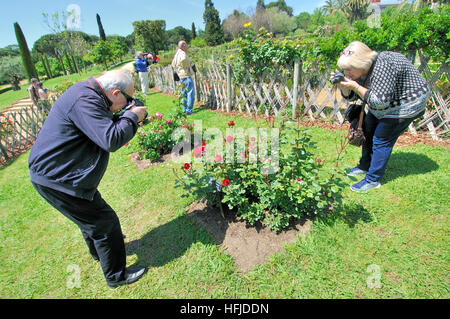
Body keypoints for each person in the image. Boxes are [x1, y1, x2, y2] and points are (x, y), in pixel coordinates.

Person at [28, 70, 148, 288]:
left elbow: (103, 125)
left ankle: (99, 254)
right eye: (127, 99)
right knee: (105, 222)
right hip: (59, 178)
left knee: (90, 219)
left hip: (60, 174)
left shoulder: (90, 94)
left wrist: (128, 114)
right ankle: (116, 276)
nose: (127, 103)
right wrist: (133, 116)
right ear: (115, 92)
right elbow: (110, 139)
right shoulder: (85, 99)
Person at [331, 41, 430, 192]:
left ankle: (373, 179)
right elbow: (351, 97)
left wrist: (355, 86)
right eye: (345, 70)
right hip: (385, 100)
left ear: (361, 63)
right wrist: (343, 85)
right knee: (368, 130)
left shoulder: (384, 64)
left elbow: (379, 102)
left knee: (381, 138)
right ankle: (364, 166)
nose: (347, 73)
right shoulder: (361, 69)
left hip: (408, 102)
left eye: (349, 69)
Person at [172, 40, 195, 115]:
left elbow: (173, 64)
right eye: (186, 45)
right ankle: (189, 110)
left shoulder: (177, 54)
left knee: (183, 93)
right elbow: (184, 59)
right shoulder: (182, 53)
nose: (187, 47)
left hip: (181, 75)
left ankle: (184, 109)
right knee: (190, 93)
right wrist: (186, 66)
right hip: (186, 74)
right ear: (184, 45)